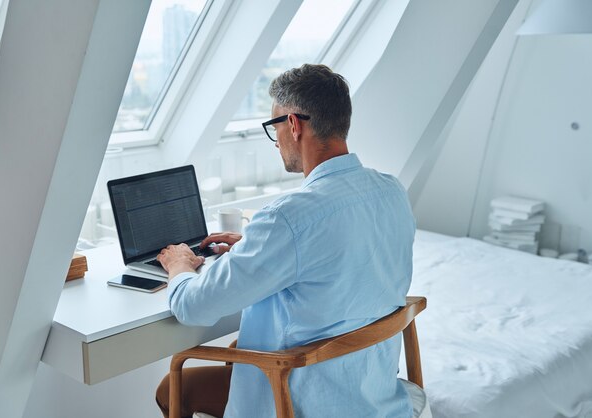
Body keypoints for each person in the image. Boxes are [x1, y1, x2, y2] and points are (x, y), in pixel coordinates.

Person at [155, 64, 416, 418]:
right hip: (371, 396)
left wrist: (180, 265)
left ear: (293, 125)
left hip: (299, 401)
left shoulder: (288, 218)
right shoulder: (391, 192)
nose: (276, 141)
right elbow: (339, 254)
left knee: (173, 386)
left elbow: (191, 306)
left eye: (273, 127)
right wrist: (256, 247)